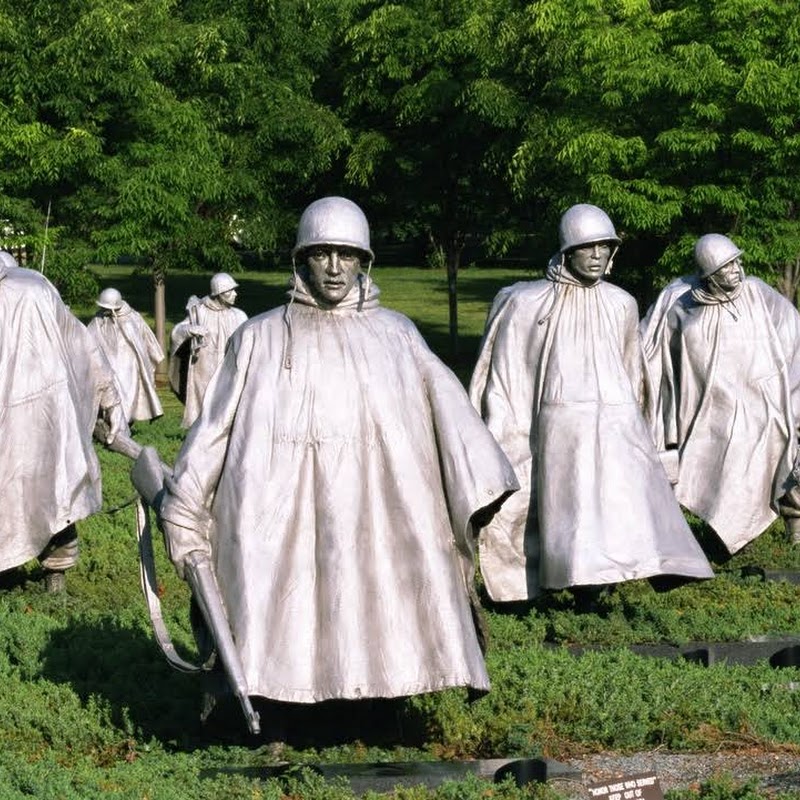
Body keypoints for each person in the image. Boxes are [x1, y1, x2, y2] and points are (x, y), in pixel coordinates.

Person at [158, 197, 518, 713]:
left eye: (346, 255)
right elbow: (214, 429)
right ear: (302, 258)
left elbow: (452, 416)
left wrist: (479, 487)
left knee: (376, 599)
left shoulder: (396, 335)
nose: (333, 268)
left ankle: (380, 703)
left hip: (376, 506)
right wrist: (185, 498)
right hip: (279, 510)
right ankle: (276, 708)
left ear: (363, 261)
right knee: (281, 599)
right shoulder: (259, 337)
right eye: (322, 253)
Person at [469, 203, 713, 602]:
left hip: (615, 420)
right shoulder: (528, 303)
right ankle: (556, 585)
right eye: (588, 247)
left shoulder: (621, 303)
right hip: (560, 422)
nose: (597, 255)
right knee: (567, 513)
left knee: (618, 503)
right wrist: (500, 430)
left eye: (605, 247)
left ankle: (620, 578)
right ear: (568, 251)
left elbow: (633, 369)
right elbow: (508, 372)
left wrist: (639, 424)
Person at [655, 233, 800, 552]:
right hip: (714, 407)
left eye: (737, 262)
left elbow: (792, 332)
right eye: (726, 266)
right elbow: (664, 357)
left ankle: (794, 522)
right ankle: (732, 531)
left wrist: (789, 391)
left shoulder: (759, 293)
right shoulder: (685, 307)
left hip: (766, 401)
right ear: (708, 275)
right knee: (722, 459)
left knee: (783, 441)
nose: (736, 269)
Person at [0, 261, 125, 591]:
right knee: (53, 490)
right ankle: (51, 575)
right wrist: (108, 397)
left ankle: (30, 573)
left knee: (33, 490)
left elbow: (78, 343)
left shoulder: (33, 289)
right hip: (48, 412)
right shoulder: (36, 286)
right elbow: (83, 345)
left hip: (42, 408)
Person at [169, 273, 247, 427]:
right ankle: (201, 429)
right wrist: (189, 329)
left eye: (234, 290)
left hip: (228, 367)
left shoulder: (239, 316)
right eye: (230, 291)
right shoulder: (200, 312)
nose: (235, 294)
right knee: (203, 398)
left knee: (228, 399)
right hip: (204, 367)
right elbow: (177, 331)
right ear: (219, 293)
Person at [87, 287, 164, 424]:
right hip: (108, 364)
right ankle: (109, 422)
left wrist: (145, 363)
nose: (104, 310)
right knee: (109, 392)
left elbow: (144, 342)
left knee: (128, 394)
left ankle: (125, 423)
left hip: (128, 365)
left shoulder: (132, 319)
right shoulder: (100, 319)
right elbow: (88, 337)